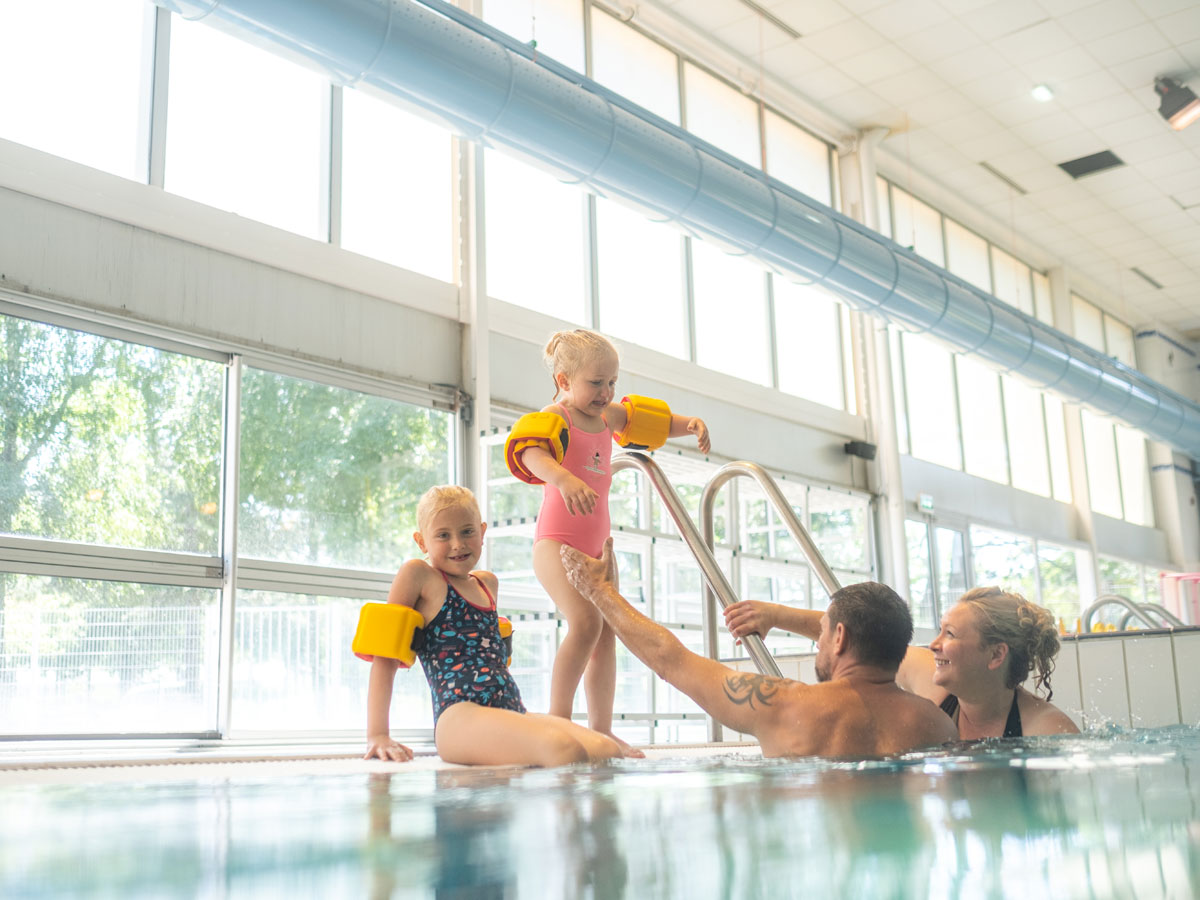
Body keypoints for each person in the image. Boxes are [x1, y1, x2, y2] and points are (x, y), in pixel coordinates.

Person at [560, 539, 957, 757]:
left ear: (839, 638)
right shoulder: (938, 724)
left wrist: (600, 591)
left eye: (821, 632)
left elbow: (672, 661)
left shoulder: (784, 706)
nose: (817, 642)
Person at [521, 329, 710, 754]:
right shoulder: (558, 417)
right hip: (556, 543)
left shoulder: (607, 417)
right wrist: (563, 477)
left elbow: (650, 421)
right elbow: (532, 451)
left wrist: (689, 424)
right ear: (564, 381)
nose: (605, 393)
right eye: (595, 383)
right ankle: (559, 721)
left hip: (597, 547)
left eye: (612, 383)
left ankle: (602, 729)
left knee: (606, 633)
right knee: (585, 624)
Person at [364, 485, 628, 766]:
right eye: (443, 535)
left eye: (467, 531)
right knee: (565, 751)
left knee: (607, 751)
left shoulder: (487, 584)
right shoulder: (419, 575)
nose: (457, 543)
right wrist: (378, 734)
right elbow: (385, 656)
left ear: (482, 532)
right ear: (421, 542)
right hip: (459, 716)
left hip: (510, 710)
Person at [724, 586, 1080, 739]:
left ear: (996, 654)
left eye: (951, 635)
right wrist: (775, 615)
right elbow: (859, 636)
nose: (935, 644)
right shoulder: (936, 684)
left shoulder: (1047, 730)